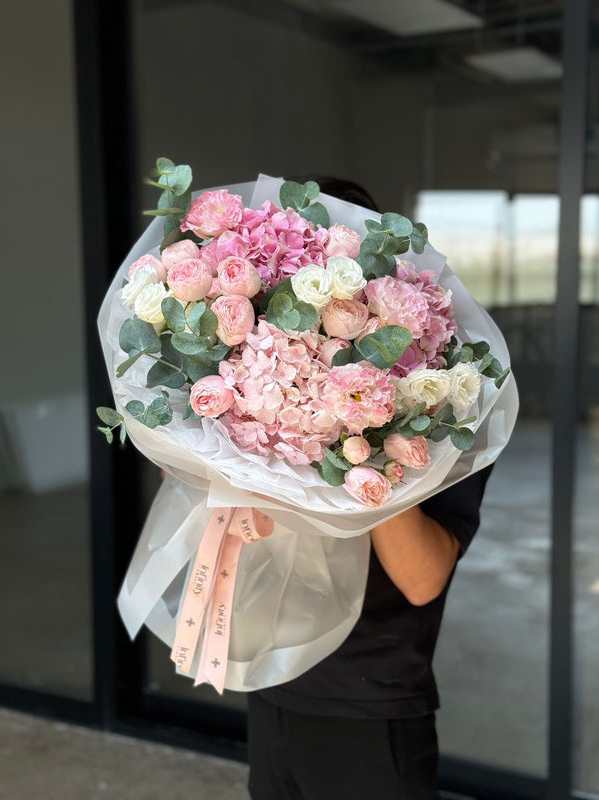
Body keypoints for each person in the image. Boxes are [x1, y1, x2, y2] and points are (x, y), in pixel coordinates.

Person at [245, 177, 495, 800]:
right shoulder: (256, 382)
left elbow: (421, 578)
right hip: (272, 681)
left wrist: (362, 429)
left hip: (369, 701)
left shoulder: (442, 400)